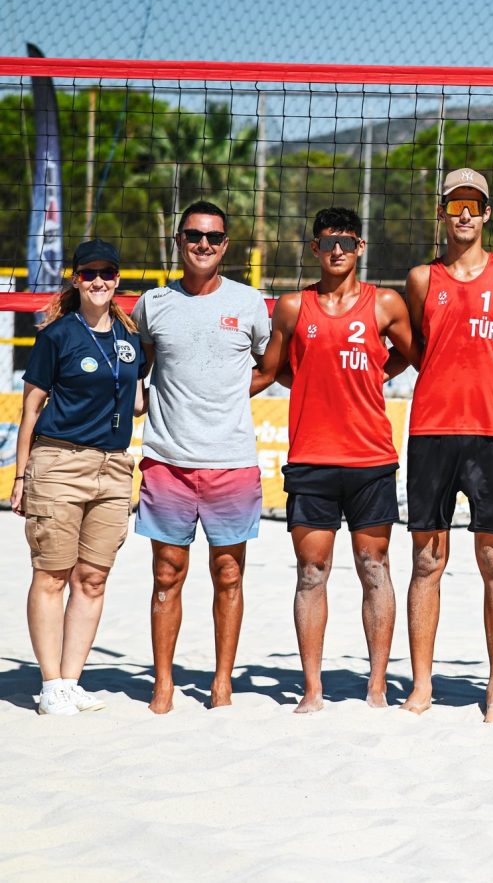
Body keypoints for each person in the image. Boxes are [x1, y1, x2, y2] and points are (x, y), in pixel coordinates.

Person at [255, 206, 416, 713]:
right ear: (315, 249)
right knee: (311, 572)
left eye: (347, 241)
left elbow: (415, 353)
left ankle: (377, 686)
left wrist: (377, 373)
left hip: (370, 457)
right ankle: (312, 689)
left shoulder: (385, 303)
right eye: (329, 242)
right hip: (311, 458)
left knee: (374, 567)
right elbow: (274, 370)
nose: (338, 250)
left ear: (360, 247)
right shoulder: (291, 307)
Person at [401, 167, 493, 723]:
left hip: (492, 431)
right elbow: (417, 348)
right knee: (427, 559)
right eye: (454, 203)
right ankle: (422, 685)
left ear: (486, 213)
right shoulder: (421, 279)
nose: (463, 213)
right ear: (442, 213)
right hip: (432, 430)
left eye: (473, 204)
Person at [132, 200, 272, 714]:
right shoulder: (153, 304)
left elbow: (268, 365)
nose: (203, 244)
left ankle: (222, 683)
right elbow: (138, 367)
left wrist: (230, 394)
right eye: (194, 235)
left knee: (229, 574)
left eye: (213, 237)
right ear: (179, 240)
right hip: (167, 458)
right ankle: (163, 684)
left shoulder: (249, 302)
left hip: (230, 460)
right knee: (166, 573)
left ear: (226, 245)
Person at [11, 239, 148, 715]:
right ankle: (50, 684)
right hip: (59, 462)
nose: (99, 281)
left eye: (107, 273)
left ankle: (70, 681)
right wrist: (21, 476)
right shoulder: (57, 335)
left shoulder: (129, 338)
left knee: (92, 578)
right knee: (52, 574)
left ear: (117, 279)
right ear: (76, 279)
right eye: (89, 273)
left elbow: (136, 400)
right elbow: (30, 410)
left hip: (113, 467)